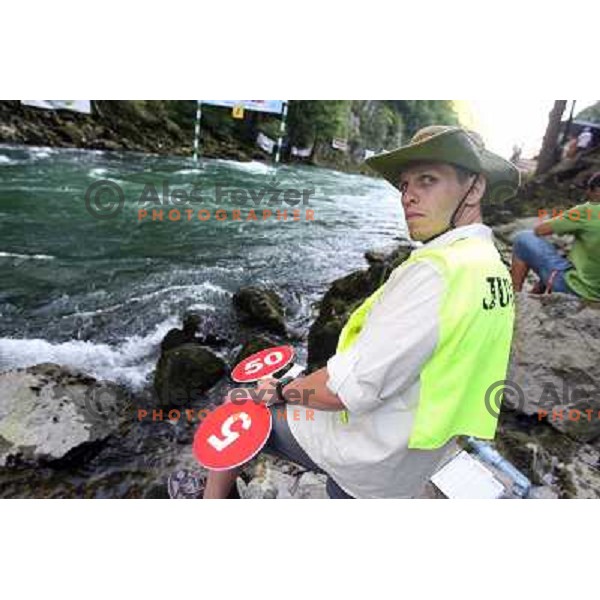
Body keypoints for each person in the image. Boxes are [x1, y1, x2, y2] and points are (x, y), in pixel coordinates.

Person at [198, 125, 519, 499]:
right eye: (405, 185)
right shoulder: (491, 265)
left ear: (474, 188)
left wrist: (283, 390)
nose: (409, 197)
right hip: (419, 450)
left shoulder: (436, 272)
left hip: (373, 454)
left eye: (427, 180)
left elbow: (345, 390)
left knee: (236, 405)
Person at [511, 172, 600, 299]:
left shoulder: (590, 210)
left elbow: (540, 230)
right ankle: (534, 296)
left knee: (523, 239)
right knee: (564, 257)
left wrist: (564, 219)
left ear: (594, 190)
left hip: (579, 290)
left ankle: (514, 297)